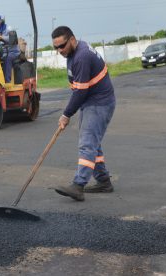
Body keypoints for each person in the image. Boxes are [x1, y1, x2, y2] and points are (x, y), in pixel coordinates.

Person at [51, 26, 116, 202]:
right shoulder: (73, 52)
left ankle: (78, 185)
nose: (59, 51)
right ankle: (103, 181)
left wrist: (66, 115)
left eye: (62, 46)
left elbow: (80, 92)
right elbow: (79, 90)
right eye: (56, 47)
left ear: (72, 40)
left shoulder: (81, 57)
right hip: (90, 102)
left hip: (99, 103)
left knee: (87, 144)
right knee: (93, 143)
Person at [0, 14, 21, 83]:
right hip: (2, 52)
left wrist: (1, 38)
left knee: (8, 58)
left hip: (13, 52)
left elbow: (13, 40)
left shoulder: (9, 29)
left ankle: (7, 81)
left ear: (1, 22)